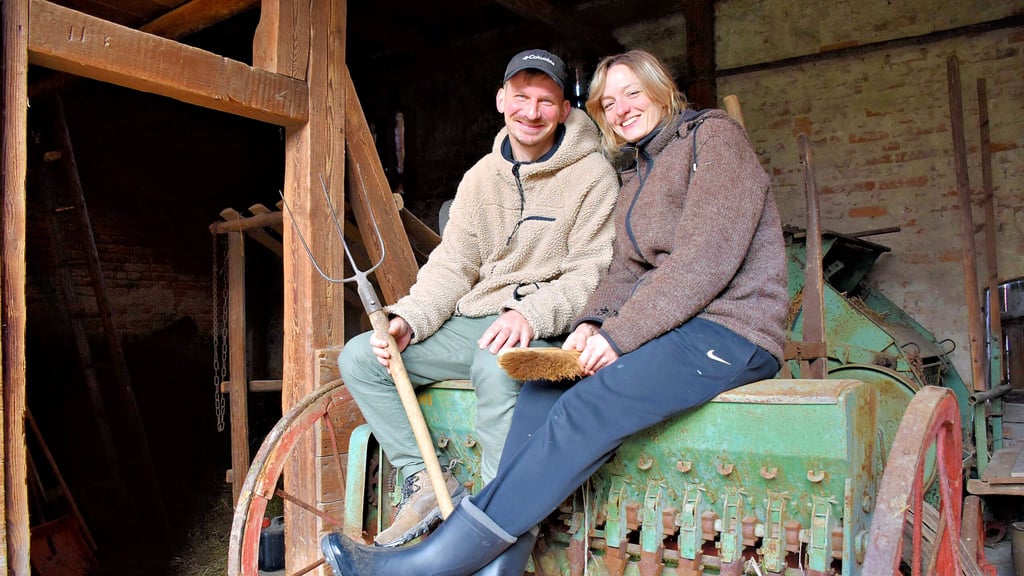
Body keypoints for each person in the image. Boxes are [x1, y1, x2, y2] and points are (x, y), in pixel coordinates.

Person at [323, 48, 788, 575]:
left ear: (662, 90)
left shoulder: (713, 139)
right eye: (609, 101)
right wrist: (595, 322)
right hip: (676, 326)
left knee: (586, 403)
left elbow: (702, 263)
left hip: (730, 329)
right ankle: (498, 566)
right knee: (546, 391)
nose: (622, 108)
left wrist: (615, 334)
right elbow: (622, 273)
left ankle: (431, 564)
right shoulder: (637, 173)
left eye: (633, 93)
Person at [338, 48, 620, 548]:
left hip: (550, 323)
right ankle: (425, 482)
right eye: (520, 97)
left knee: (498, 366)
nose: (531, 112)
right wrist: (410, 320)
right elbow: (453, 266)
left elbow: (592, 271)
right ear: (500, 100)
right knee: (362, 357)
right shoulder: (479, 179)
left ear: (565, 110)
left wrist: (530, 314)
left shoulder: (593, 176)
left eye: (546, 101)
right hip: (479, 319)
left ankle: (495, 517)